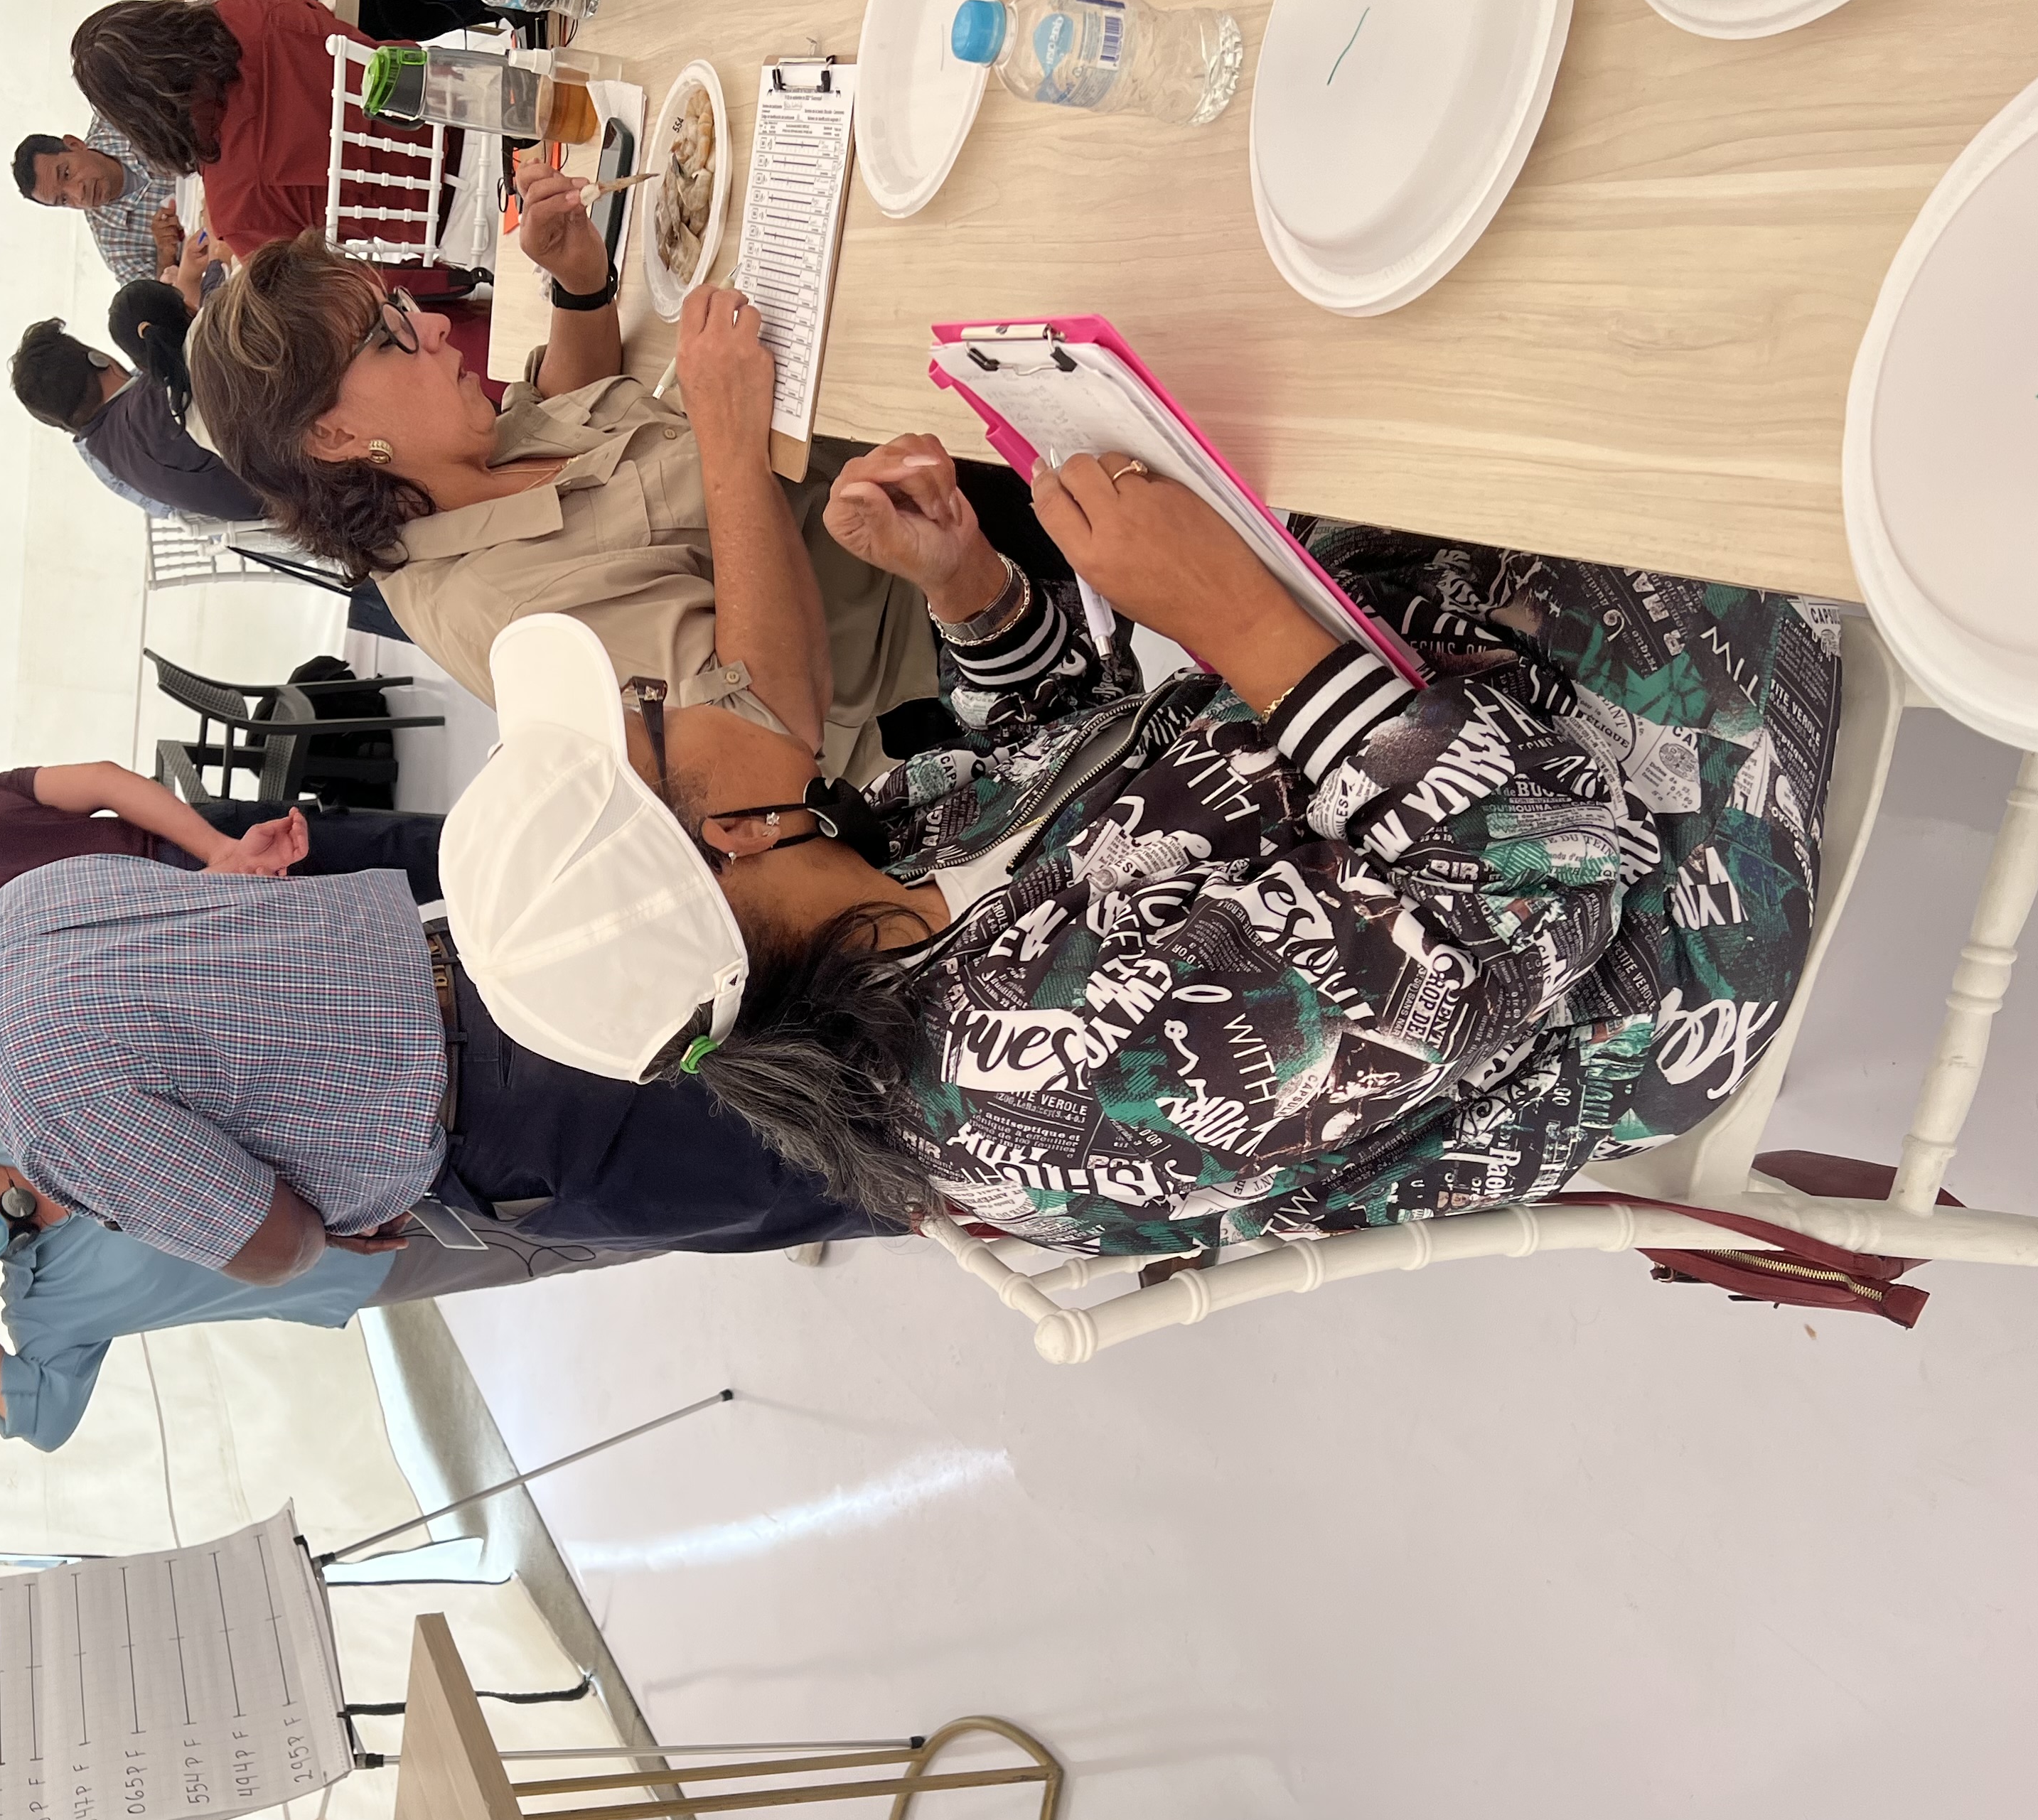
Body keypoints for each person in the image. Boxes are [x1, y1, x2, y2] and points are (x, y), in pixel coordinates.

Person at [437, 456, 1840, 1258]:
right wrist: (1234, 614)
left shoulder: (846, 892)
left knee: (1379, 420)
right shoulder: (1032, 1068)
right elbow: (1539, 877)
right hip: (1650, 891)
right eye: (652, 720)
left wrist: (973, 597)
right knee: (1622, 431)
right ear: (719, 844)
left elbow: (1071, 758)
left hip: (1430, 713)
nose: (681, 694)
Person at [186, 167, 1074, 787]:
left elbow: (569, 407)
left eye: (402, 304)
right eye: (389, 338)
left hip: (882, 464)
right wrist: (727, 436)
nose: (435, 332)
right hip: (940, 623)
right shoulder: (505, 618)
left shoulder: (441, 470)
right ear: (336, 434)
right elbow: (772, 730)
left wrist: (578, 282)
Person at [0, 852, 894, 1278]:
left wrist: (303, 1226)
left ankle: (1066, 1165)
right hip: (497, 951)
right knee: (859, 998)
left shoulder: (40, 1103)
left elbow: (272, 1240)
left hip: (518, 1111)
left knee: (883, 1153)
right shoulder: (21, 907)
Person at [0, 1148, 642, 1450]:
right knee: (584, 1230)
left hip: (356, 1148)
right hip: (364, 1263)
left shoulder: (36, 1122)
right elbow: (38, 1419)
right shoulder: (44, 1307)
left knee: (569, 1142)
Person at [0, 758, 444, 972]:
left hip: (230, 933)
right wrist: (221, 852)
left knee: (442, 956)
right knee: (435, 851)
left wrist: (218, 882)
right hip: (226, 838)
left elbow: (116, 957)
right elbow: (108, 780)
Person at [68, 0, 452, 273]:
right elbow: (330, 24)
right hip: (454, 95)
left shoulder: (232, 206)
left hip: (447, 217)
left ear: (139, 122)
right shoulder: (246, 12)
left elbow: (309, 283)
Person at [11, 316, 265, 524]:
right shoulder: (157, 400)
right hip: (290, 472)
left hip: (276, 506)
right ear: (97, 359)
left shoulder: (112, 458)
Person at [11, 116, 221, 291]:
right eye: (64, 200)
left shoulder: (117, 116)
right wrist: (165, 254)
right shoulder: (115, 241)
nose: (79, 193)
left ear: (75, 144)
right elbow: (158, 312)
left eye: (66, 173)